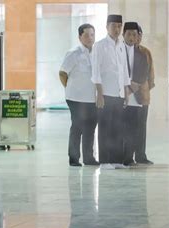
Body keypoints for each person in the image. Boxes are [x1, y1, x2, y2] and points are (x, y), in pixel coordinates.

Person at [91, 14, 131, 170]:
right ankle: (105, 161)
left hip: (120, 94)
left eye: (119, 26)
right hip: (105, 94)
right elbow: (96, 72)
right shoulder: (100, 46)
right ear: (107, 27)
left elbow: (125, 71)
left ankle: (117, 160)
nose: (117, 29)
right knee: (105, 128)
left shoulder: (121, 45)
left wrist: (126, 93)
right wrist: (99, 94)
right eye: (114, 25)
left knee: (118, 128)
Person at [59, 24, 99, 167]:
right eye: (87, 35)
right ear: (80, 37)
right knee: (77, 127)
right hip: (76, 99)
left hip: (91, 99)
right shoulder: (74, 53)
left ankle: (89, 158)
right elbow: (62, 73)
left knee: (90, 127)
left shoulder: (96, 53)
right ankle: (74, 158)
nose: (90, 38)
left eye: (92, 35)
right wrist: (70, 88)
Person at [122, 22, 149, 166]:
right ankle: (119, 157)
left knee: (133, 128)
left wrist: (132, 87)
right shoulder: (117, 50)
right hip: (120, 95)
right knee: (121, 128)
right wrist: (124, 87)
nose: (132, 37)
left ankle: (129, 158)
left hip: (135, 96)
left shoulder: (142, 54)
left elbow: (144, 73)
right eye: (129, 34)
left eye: (134, 34)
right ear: (123, 34)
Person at [134, 25, 155, 165]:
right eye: (134, 34)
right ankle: (126, 155)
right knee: (127, 127)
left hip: (143, 96)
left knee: (141, 127)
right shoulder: (122, 50)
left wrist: (145, 89)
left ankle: (141, 155)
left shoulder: (146, 52)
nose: (137, 38)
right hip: (127, 95)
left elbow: (151, 75)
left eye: (139, 35)